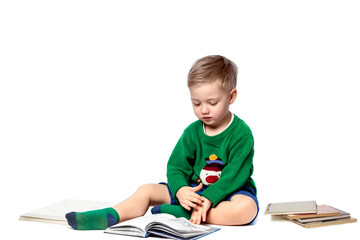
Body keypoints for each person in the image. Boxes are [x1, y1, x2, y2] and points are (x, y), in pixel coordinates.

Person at [65, 55, 259, 230]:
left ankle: (182, 214)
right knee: (147, 190)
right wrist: (181, 190)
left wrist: (210, 197)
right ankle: (112, 215)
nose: (204, 110)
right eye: (196, 103)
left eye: (212, 103)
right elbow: (175, 167)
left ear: (231, 96)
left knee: (246, 209)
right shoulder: (192, 132)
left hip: (230, 191)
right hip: (194, 191)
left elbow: (235, 175)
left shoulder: (241, 134)